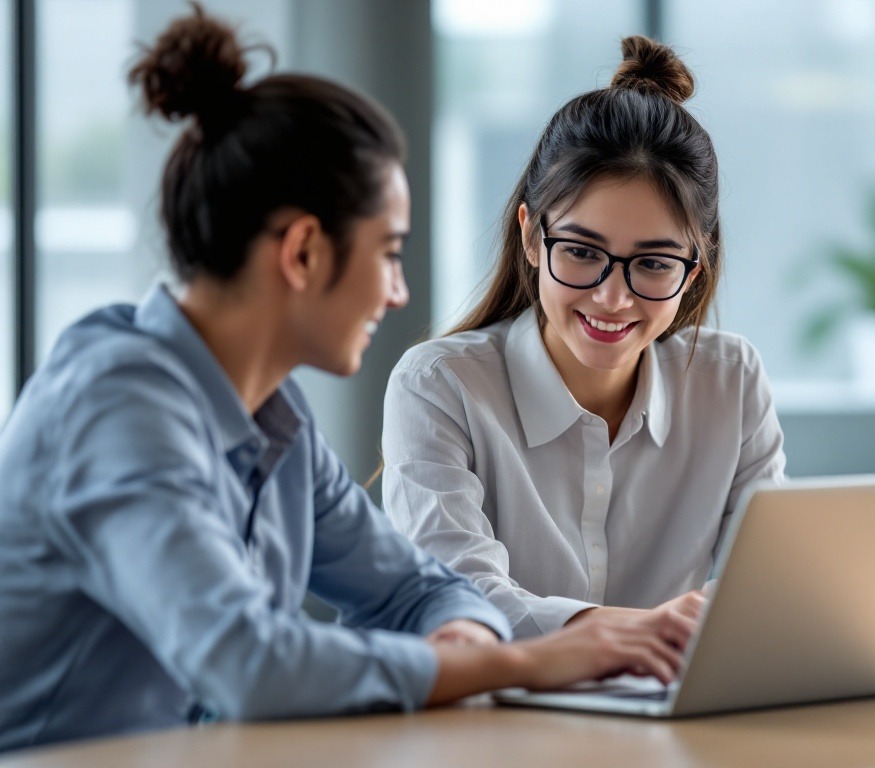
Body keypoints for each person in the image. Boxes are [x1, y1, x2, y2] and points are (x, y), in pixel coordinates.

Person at [0, 9, 687, 752]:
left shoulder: (272, 417)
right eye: (388, 253)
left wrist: (466, 640)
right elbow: (248, 663)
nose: (397, 292)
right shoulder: (115, 405)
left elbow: (416, 589)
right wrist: (528, 659)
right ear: (302, 252)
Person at [382, 36, 786, 640]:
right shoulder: (439, 386)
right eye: (580, 252)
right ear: (530, 237)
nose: (612, 298)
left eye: (653, 263)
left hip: (670, 727)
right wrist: (642, 634)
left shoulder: (731, 382)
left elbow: (764, 592)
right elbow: (458, 602)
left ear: (695, 268)